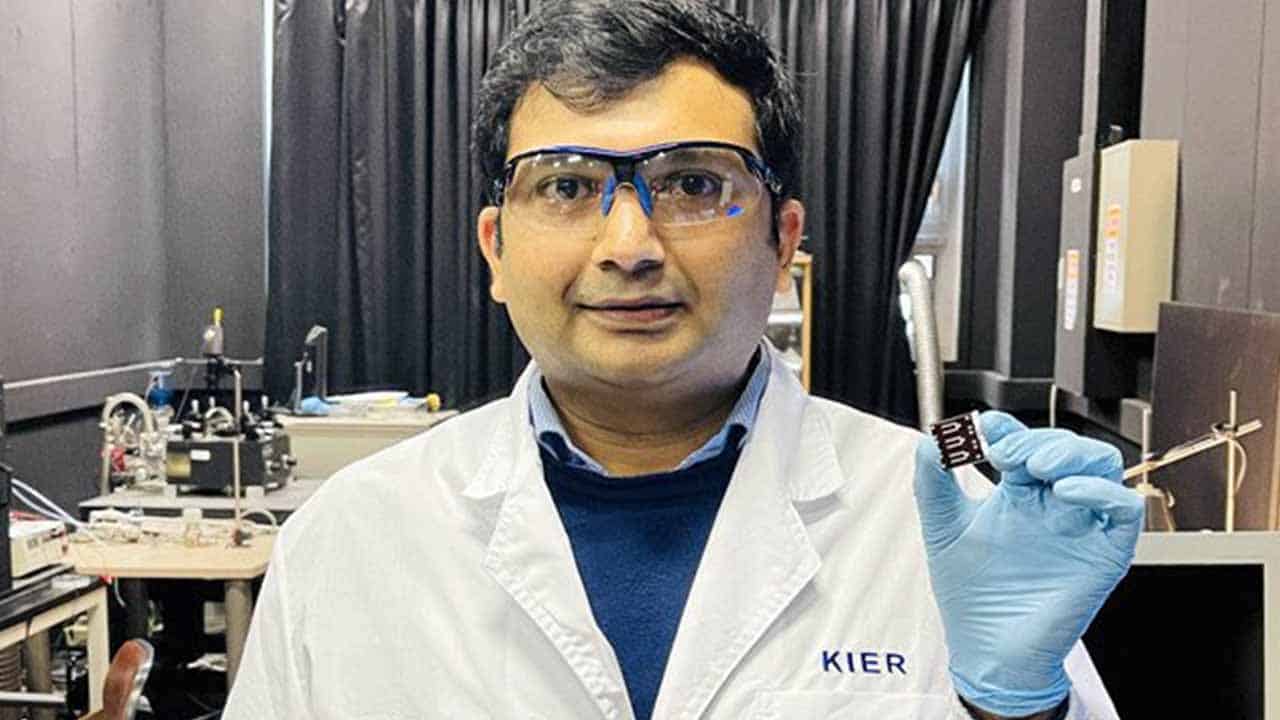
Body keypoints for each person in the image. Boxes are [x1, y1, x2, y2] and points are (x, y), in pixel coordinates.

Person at [225, 2, 1142, 718]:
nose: (629, 246)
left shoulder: (944, 526)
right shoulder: (352, 539)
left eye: (693, 184)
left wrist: (1016, 708)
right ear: (496, 249)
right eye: (569, 186)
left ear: (784, 241)